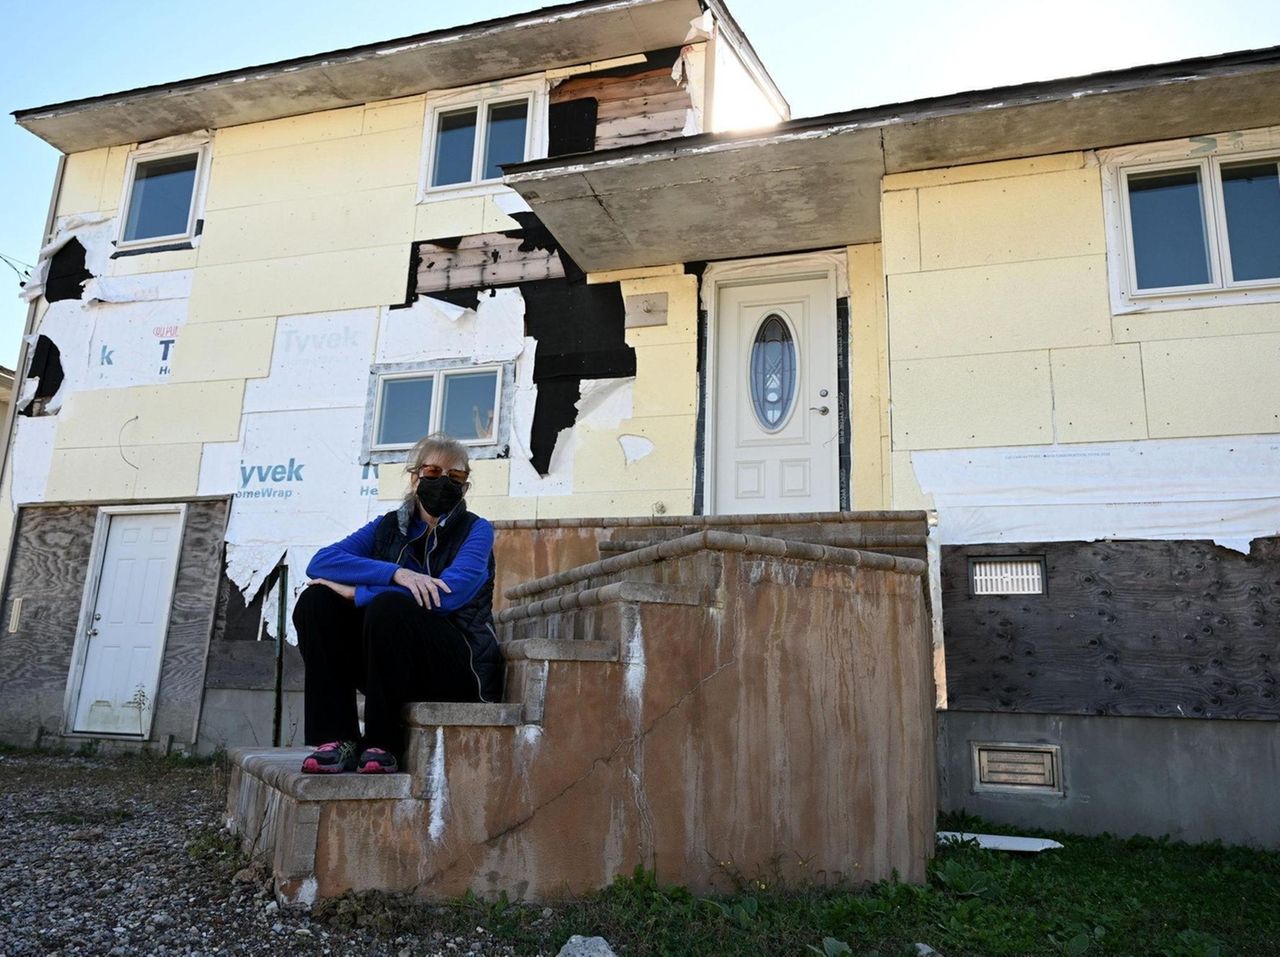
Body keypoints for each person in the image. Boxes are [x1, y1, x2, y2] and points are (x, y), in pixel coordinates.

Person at [292, 433, 502, 774]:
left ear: (465, 485)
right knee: (316, 600)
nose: (443, 482)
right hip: (391, 662)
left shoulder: (477, 530)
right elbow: (321, 563)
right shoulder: (387, 527)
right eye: (433, 472)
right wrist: (396, 574)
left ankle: (381, 743)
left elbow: (449, 595)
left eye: (456, 476)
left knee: (388, 606)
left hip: (458, 666)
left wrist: (357, 593)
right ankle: (337, 738)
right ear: (415, 477)